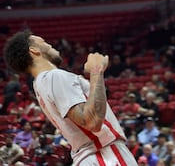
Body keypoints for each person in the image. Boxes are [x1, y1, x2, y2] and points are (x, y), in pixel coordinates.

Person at [3, 29, 137, 165]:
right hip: (104, 155)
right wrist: (96, 71)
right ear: (34, 51)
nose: (50, 45)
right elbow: (92, 122)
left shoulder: (40, 85)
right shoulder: (54, 77)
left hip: (92, 155)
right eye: (44, 42)